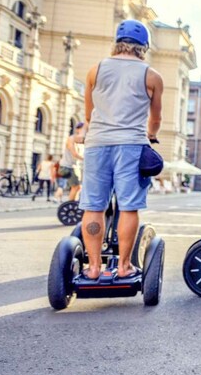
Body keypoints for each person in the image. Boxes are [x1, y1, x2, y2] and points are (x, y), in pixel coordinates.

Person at [77, 19, 163, 279]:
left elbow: (89, 113)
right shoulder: (151, 75)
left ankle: (92, 268)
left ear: (117, 43)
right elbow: (156, 118)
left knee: (93, 206)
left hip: (97, 144)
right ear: (143, 47)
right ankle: (124, 266)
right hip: (131, 146)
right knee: (128, 206)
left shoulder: (96, 70)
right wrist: (151, 135)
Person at [59, 122, 85, 201]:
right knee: (76, 186)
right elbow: (74, 154)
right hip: (66, 167)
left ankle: (73, 203)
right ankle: (70, 204)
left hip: (71, 167)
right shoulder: (71, 139)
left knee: (77, 187)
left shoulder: (80, 140)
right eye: (83, 129)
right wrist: (86, 159)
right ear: (78, 129)